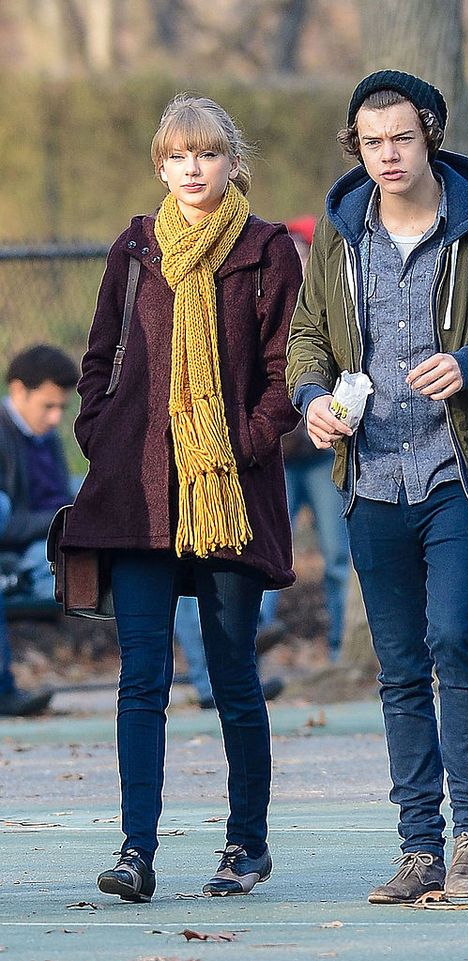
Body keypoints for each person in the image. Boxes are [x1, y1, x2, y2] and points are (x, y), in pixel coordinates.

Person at [286, 70, 468, 904]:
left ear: (431, 134)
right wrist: (312, 403)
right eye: (371, 142)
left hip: (459, 472)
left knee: (453, 638)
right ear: (355, 147)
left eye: (401, 137)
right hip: (370, 477)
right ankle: (419, 849)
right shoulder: (338, 235)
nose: (387, 155)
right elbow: (307, 336)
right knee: (401, 665)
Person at [61, 94, 301, 901]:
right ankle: (136, 851)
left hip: (226, 492)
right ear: (160, 164)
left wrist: (240, 448)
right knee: (141, 680)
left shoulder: (268, 251)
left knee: (232, 673)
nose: (192, 169)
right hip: (138, 498)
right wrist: (103, 433)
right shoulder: (135, 247)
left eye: (207, 154)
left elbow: (282, 376)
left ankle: (247, 843)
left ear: (234, 161)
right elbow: (98, 358)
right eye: (178, 156)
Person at [260, 218, 350, 661]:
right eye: (288, 249)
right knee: (268, 553)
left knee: (338, 557)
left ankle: (342, 649)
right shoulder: (264, 299)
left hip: (321, 452)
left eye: (302, 249)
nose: (294, 257)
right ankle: (253, 645)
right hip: (276, 452)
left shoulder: (332, 303)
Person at [0, 344, 79, 716]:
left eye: (61, 408)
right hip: (20, 558)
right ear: (18, 390)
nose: (54, 418)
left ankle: (220, 657)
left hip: (54, 542)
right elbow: (7, 522)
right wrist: (65, 517)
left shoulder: (46, 437)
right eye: (48, 406)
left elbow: (63, 495)